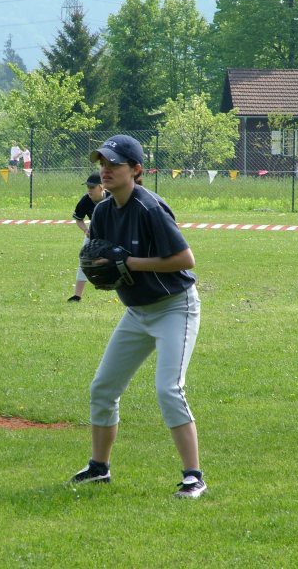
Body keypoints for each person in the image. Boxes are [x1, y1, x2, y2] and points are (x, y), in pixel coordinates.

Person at [69, 135, 206, 499]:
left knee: (168, 389)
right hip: (137, 312)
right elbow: (95, 255)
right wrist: (98, 267)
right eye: (102, 163)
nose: (105, 169)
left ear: (136, 170)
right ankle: (99, 468)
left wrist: (129, 263)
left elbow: (185, 260)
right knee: (103, 387)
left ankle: (194, 477)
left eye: (114, 164)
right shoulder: (101, 211)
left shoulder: (149, 208)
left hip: (176, 308)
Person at [67, 172, 109, 302]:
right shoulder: (85, 200)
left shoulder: (112, 198)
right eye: (88, 187)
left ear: (101, 187)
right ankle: (77, 296)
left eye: (92, 187)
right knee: (84, 261)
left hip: (114, 232)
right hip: (94, 233)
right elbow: (79, 219)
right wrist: (85, 229)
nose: (89, 190)